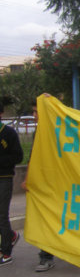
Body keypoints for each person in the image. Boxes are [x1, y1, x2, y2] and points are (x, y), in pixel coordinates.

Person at [21, 100, 56, 271]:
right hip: (42, 182)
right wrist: (28, 178)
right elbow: (33, 158)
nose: (35, 115)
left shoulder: (58, 131)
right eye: (34, 112)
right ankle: (46, 256)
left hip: (59, 183)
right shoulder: (37, 133)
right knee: (45, 219)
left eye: (38, 112)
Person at [0, 102, 24, 266]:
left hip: (4, 178)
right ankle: (11, 235)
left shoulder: (8, 133)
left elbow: (18, 157)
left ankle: (6, 252)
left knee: (2, 215)